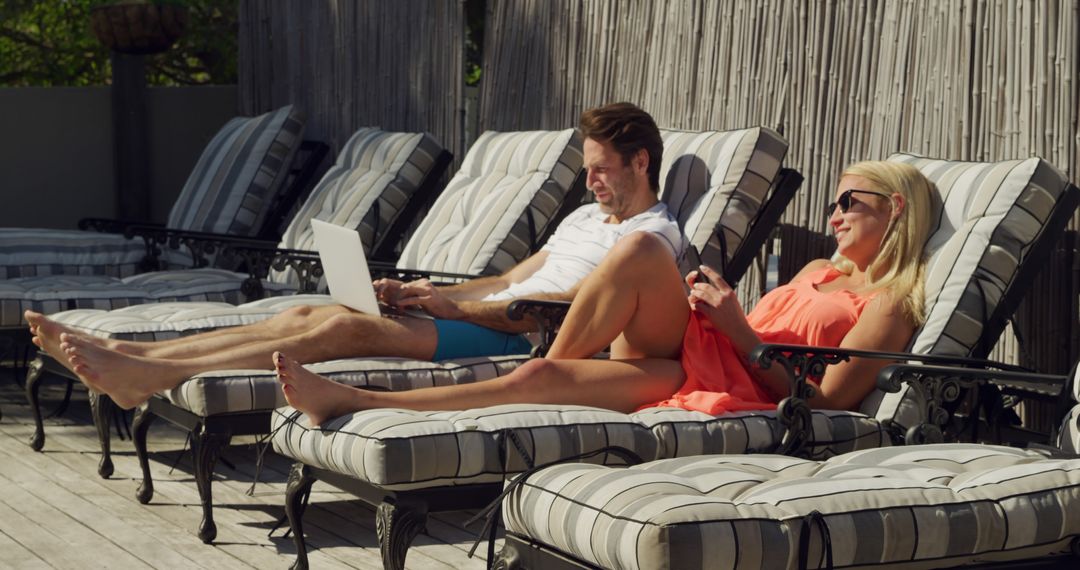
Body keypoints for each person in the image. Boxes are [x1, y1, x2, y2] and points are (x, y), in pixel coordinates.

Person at [26, 102, 686, 409]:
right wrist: (435, 290)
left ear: (640, 162)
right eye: (588, 169)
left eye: (602, 170)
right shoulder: (581, 218)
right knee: (305, 316)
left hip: (523, 334)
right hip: (487, 309)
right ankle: (138, 359)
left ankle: (146, 377)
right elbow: (513, 274)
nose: (591, 180)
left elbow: (566, 307)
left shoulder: (652, 237)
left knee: (341, 328)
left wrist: (466, 308)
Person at [255, 159, 935, 426]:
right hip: (705, 351)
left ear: (897, 209)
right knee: (637, 252)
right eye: (833, 203)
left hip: (744, 377)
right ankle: (523, 344)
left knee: (547, 367)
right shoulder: (818, 274)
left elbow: (827, 402)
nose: (833, 214)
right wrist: (721, 310)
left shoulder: (892, 302)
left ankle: (350, 397)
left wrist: (741, 331)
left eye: (850, 201)